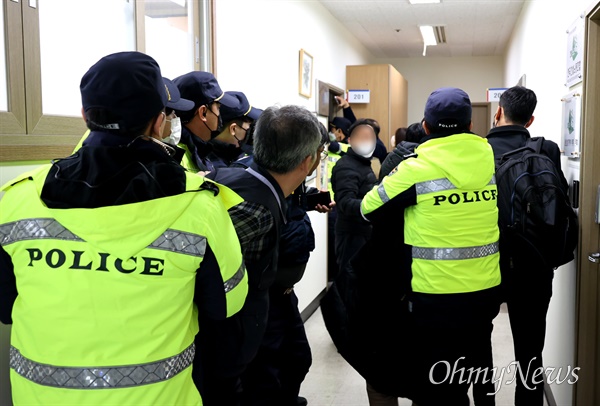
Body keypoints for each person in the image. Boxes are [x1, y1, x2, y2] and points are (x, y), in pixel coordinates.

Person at [0, 51, 248, 406]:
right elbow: (225, 306)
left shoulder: (17, 199)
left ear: (85, 115)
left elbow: (6, 307)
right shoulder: (199, 206)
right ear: (159, 123)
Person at [361, 88, 502, 406]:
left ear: (425, 126)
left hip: (435, 294)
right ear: (469, 125)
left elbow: (368, 207)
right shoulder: (489, 157)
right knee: (478, 366)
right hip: (485, 289)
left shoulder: (415, 168)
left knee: (438, 384)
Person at [196, 105, 323, 406]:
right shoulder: (255, 210)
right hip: (230, 337)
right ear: (308, 161)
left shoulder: (240, 180)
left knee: (294, 362)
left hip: (249, 320)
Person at [242, 122, 333, 406]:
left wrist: (306, 202)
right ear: (307, 157)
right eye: (320, 152)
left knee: (297, 359)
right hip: (259, 298)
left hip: (283, 293)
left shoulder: (286, 184)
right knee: (265, 374)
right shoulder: (252, 193)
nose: (320, 158)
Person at [486, 86, 566, 406]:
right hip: (532, 265)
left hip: (484, 263)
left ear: (498, 113)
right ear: (530, 120)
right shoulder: (547, 150)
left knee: (477, 345)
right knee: (530, 353)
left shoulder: (478, 150)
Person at [331, 119, 378, 273]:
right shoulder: (347, 166)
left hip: (363, 233)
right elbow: (345, 202)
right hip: (352, 235)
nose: (367, 141)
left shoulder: (362, 163)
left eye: (370, 138)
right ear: (350, 140)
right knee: (350, 283)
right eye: (362, 137)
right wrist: (377, 203)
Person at [173, 71, 237, 172]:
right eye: (218, 108)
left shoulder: (198, 149)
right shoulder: (178, 158)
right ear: (203, 113)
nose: (220, 116)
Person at [208, 91, 262, 168]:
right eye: (248, 127)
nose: (250, 132)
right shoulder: (217, 168)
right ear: (233, 129)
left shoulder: (230, 154)